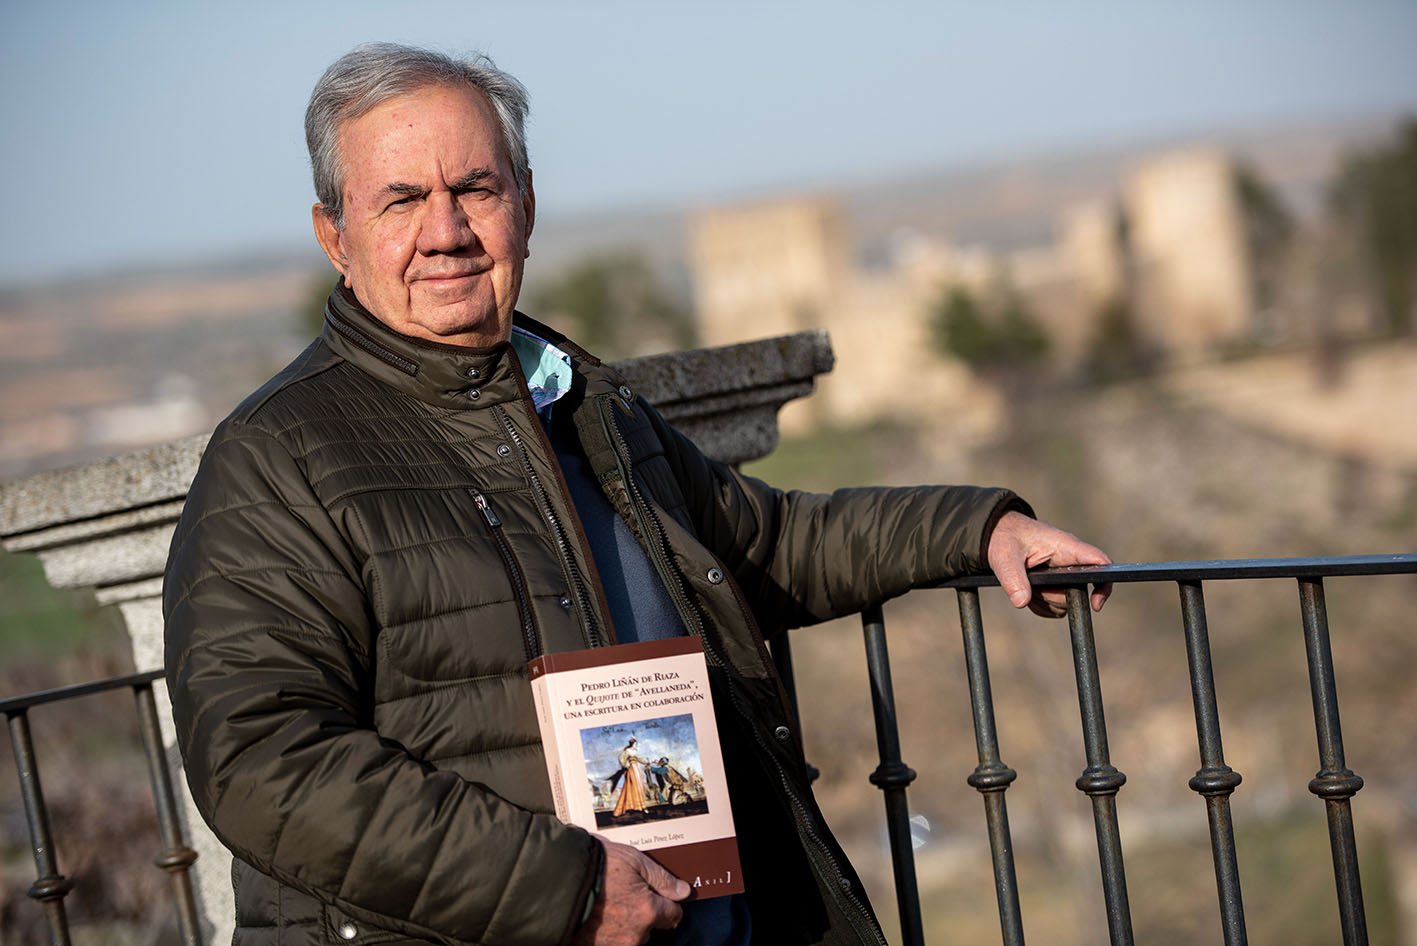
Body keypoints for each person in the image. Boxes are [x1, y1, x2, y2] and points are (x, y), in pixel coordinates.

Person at [163, 42, 1110, 946]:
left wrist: (980, 526)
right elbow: (260, 760)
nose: (444, 231)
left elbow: (762, 543)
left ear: (525, 205)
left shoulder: (581, 404)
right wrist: (563, 891)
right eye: (401, 199)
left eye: (475, 189)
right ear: (335, 233)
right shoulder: (277, 457)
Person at [612, 738, 649, 817]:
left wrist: (648, 761)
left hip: (637, 769)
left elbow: (641, 759)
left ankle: (640, 806)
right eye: (635, 744)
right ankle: (631, 806)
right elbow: (621, 759)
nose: (636, 745)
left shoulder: (635, 752)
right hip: (631, 769)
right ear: (632, 744)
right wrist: (626, 764)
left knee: (639, 786)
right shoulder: (627, 751)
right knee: (632, 786)